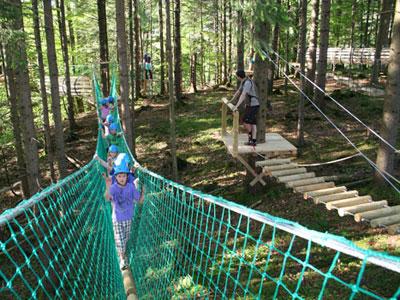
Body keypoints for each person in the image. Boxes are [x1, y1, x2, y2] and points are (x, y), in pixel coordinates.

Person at [104, 164, 144, 270]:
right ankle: (122, 260)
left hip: (128, 218)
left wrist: (144, 191)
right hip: (117, 219)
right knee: (120, 240)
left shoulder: (131, 187)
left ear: (127, 177)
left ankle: (122, 253)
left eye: (124, 176)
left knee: (125, 239)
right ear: (116, 177)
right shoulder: (113, 188)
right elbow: (107, 198)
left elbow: (139, 200)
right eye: (119, 176)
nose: (122, 178)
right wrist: (108, 186)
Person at [229, 69, 260, 146]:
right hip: (251, 105)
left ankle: (251, 140)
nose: (237, 78)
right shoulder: (244, 81)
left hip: (253, 105)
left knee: (246, 123)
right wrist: (231, 100)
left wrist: (236, 106)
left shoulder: (247, 82)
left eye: (236, 77)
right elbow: (238, 92)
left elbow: (243, 95)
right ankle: (253, 141)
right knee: (252, 123)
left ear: (239, 76)